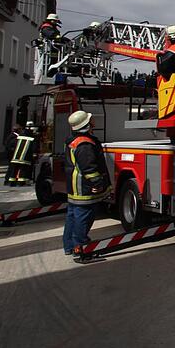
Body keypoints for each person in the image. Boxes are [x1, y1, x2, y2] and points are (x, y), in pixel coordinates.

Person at [63, 110, 112, 263]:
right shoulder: (84, 143)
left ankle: (70, 246)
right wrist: (97, 184)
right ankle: (81, 249)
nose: (93, 122)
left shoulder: (75, 140)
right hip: (84, 188)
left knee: (72, 216)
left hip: (75, 188)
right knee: (83, 217)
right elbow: (89, 169)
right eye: (91, 120)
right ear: (87, 124)